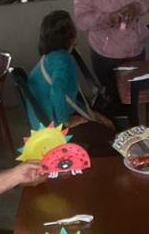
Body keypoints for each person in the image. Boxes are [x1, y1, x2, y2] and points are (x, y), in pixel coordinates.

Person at [27, 10, 116, 139]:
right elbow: (57, 92)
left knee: (103, 120)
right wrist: (66, 121)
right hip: (53, 125)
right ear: (70, 36)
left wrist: (94, 115)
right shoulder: (63, 61)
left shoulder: (51, 58)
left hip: (42, 120)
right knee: (108, 132)